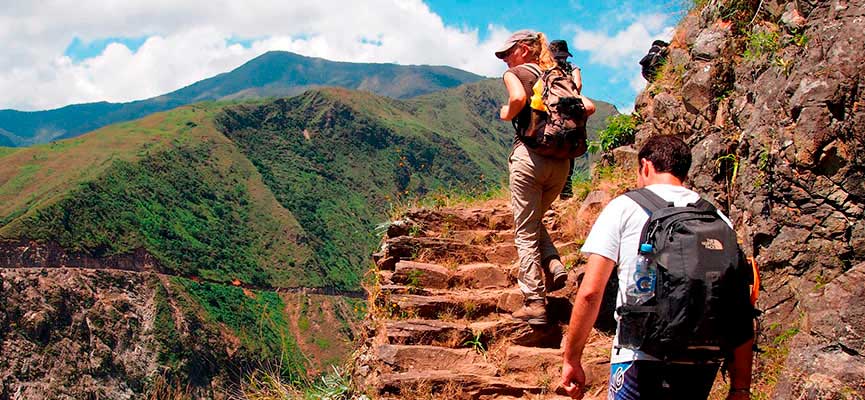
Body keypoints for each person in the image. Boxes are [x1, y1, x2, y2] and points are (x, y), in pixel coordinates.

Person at [559, 135, 754, 399]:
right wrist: (740, 386)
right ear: (684, 170)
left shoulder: (623, 207)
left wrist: (572, 359)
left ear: (645, 166)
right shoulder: (716, 217)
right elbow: (739, 305)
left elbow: (591, 292)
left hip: (640, 356)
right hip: (702, 360)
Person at [495, 30, 595, 325]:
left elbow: (516, 98)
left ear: (525, 49)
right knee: (534, 218)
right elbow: (588, 107)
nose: (504, 60)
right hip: (561, 164)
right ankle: (553, 264)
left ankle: (534, 301)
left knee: (525, 229)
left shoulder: (518, 73)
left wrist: (506, 112)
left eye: (507, 53)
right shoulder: (559, 75)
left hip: (530, 158)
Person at [548, 39, 583, 200]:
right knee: (570, 149)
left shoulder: (546, 69)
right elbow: (578, 85)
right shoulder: (572, 68)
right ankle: (566, 190)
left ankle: (551, 190)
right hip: (572, 112)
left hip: (552, 113)